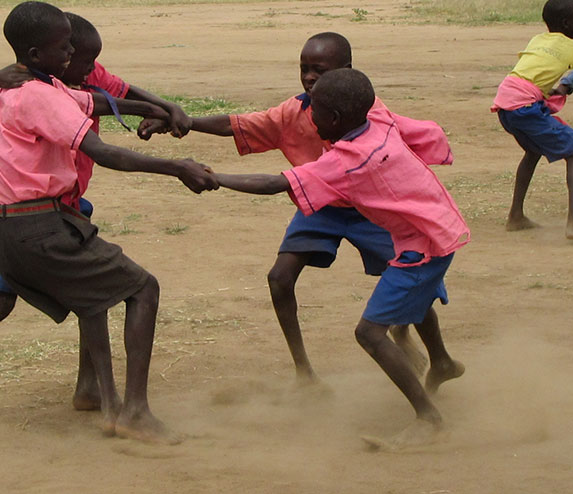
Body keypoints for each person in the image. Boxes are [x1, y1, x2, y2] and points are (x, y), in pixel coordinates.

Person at [139, 32, 454, 385]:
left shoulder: (368, 113)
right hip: (321, 203)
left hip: (372, 208)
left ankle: (440, 359)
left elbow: (279, 182)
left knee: (410, 278)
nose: (308, 77)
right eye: (303, 68)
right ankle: (304, 371)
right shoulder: (298, 109)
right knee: (279, 278)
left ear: (345, 71)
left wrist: (216, 177)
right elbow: (241, 124)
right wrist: (185, 123)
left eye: (318, 69)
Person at [211, 68, 469, 447]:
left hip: (423, 249)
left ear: (332, 119)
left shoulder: (347, 161)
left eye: (314, 111)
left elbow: (275, 183)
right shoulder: (378, 122)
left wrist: (215, 178)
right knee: (400, 310)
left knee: (369, 333)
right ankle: (442, 364)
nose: (309, 118)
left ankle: (429, 418)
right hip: (436, 232)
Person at [0, 1, 218, 442]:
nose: (72, 55)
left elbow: (97, 99)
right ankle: (134, 411)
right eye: (65, 48)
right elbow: (103, 153)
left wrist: (150, 108)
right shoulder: (38, 94)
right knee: (142, 288)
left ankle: (93, 392)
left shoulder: (27, 86)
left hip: (17, 228)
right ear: (35, 54)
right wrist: (176, 167)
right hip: (37, 226)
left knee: (92, 294)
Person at [492, 0, 573, 237]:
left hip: (505, 103)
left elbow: (535, 70)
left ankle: (516, 216)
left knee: (533, 151)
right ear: (565, 24)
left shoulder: (538, 39)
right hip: (524, 106)